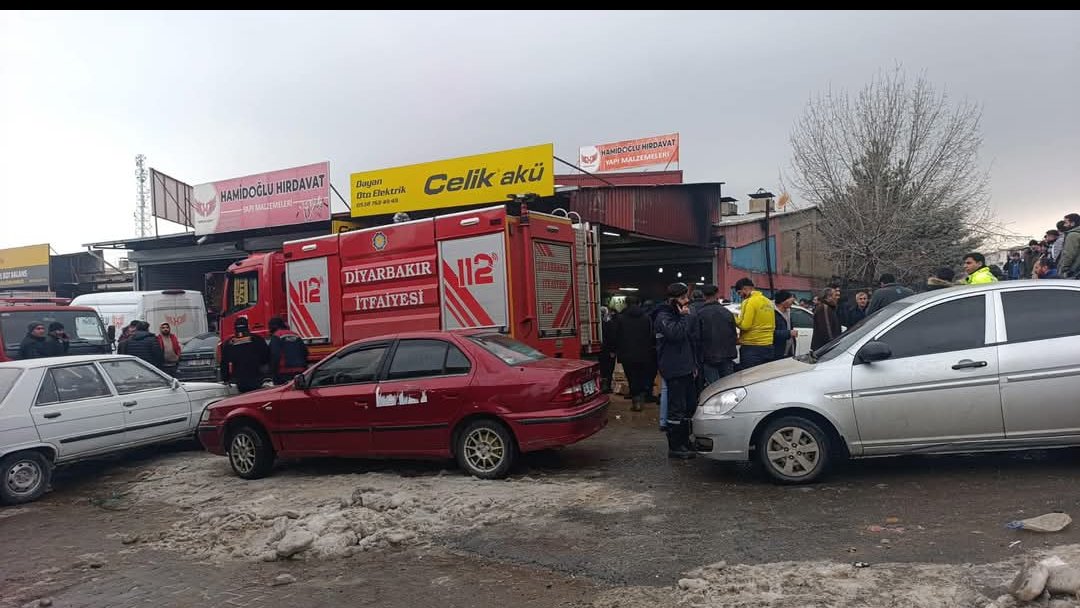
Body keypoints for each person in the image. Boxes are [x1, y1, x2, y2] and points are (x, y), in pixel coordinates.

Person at [654, 282, 699, 459]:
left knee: (689, 406)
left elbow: (690, 340)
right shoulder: (663, 316)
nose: (686, 301)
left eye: (687, 297)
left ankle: (685, 440)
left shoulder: (679, 315)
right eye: (682, 298)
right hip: (674, 368)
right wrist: (684, 317)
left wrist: (693, 364)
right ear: (673, 300)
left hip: (686, 367)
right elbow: (676, 335)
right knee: (676, 408)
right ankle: (675, 445)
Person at [611, 296, 656, 411]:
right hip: (644, 353)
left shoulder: (620, 318)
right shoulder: (646, 318)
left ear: (626, 304)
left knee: (631, 377)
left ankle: (636, 400)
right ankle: (641, 397)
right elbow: (651, 335)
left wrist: (614, 349)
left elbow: (615, 335)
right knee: (642, 375)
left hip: (626, 353)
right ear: (639, 303)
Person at [695, 285, 737, 385]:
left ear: (704, 296)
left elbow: (696, 337)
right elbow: (734, 334)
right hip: (727, 355)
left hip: (708, 357)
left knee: (713, 388)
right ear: (717, 295)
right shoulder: (727, 312)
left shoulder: (699, 314)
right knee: (728, 387)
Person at [733, 278, 775, 370]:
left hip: (752, 347)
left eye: (739, 293)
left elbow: (745, 326)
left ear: (745, 289)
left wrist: (734, 318)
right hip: (768, 346)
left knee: (750, 378)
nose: (740, 296)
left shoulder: (749, 302)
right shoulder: (768, 301)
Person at [220, 317, 269, 393]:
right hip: (257, 380)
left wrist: (226, 379)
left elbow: (224, 364)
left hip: (239, 382)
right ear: (248, 327)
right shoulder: (257, 339)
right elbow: (266, 358)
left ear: (235, 328)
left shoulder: (230, 343)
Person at [268, 317, 310, 385]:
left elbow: (275, 355)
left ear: (272, 327)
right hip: (300, 371)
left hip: (284, 373)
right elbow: (305, 352)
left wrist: (273, 373)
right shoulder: (295, 335)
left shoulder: (276, 336)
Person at [772, 291, 799, 360]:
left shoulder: (788, 311)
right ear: (783, 301)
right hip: (777, 351)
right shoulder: (771, 313)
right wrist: (789, 333)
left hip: (789, 350)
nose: (791, 304)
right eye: (790, 301)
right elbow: (770, 333)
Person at [598, 306, 616, 394]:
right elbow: (612, 338)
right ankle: (607, 386)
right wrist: (613, 350)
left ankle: (602, 386)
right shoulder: (610, 323)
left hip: (600, 349)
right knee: (609, 369)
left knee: (602, 368)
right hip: (609, 350)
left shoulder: (597, 324)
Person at [1058, 213, 1080, 278]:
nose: (1064, 225)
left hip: (1073, 272)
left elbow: (1069, 254)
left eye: (1066, 222)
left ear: (1073, 223)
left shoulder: (1072, 235)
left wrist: (1064, 270)